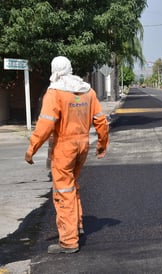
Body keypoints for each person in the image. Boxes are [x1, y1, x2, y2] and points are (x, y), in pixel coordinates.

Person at [24, 56, 109, 254]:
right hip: (83, 146)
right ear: (70, 68)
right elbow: (101, 121)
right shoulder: (88, 91)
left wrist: (31, 149)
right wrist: (102, 145)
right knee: (72, 185)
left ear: (54, 69)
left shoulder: (55, 92)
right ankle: (77, 225)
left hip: (64, 148)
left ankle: (69, 241)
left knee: (63, 192)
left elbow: (45, 125)